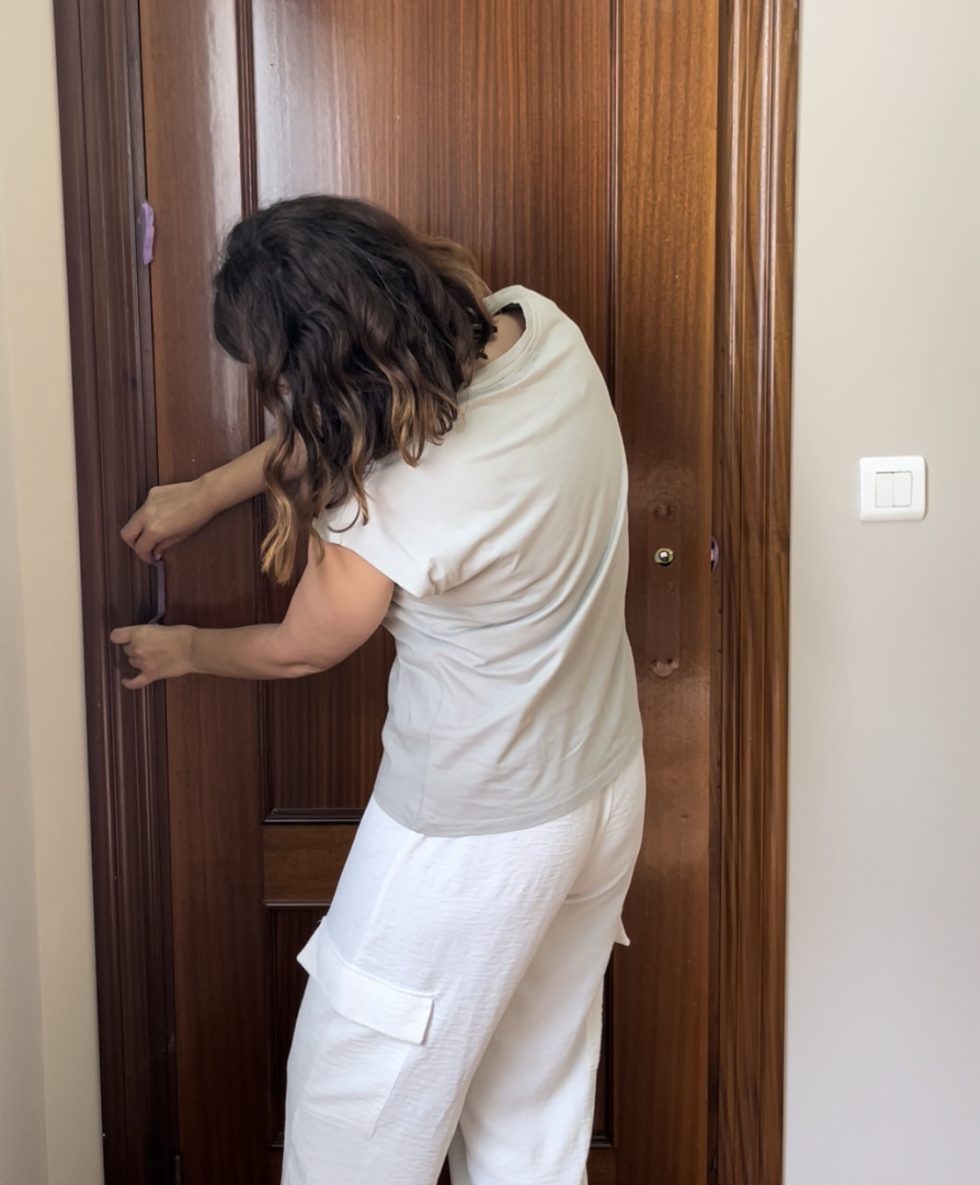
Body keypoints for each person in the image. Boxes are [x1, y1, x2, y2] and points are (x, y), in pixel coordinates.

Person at [111, 195, 645, 1185]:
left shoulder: (399, 500)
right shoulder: (541, 330)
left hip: (471, 840)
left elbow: (299, 649)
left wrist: (183, 648)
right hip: (600, 792)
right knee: (529, 1125)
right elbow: (384, 405)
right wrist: (214, 489)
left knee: (348, 1131)